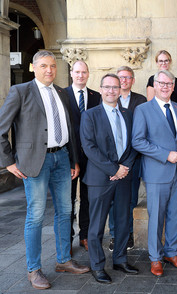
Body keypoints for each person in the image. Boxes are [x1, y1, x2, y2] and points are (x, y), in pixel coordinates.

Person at [0, 50, 90, 290]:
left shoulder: (62, 92)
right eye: (43, 66)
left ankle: (63, 260)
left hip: (61, 159)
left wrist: (73, 160)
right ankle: (33, 269)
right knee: (36, 216)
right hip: (34, 162)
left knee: (65, 211)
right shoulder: (20, 92)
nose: (49, 70)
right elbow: (2, 128)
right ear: (33, 67)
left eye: (52, 66)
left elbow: (69, 129)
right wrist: (9, 162)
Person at [132, 70, 177, 277]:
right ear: (154, 85)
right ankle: (155, 258)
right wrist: (166, 155)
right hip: (157, 173)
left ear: (174, 87)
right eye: (162, 83)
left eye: (169, 84)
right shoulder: (143, 110)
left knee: (176, 215)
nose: (166, 86)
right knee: (156, 217)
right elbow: (138, 141)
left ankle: (171, 252)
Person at [80, 73, 139, 284]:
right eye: (107, 87)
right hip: (100, 178)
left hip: (124, 177)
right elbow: (89, 147)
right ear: (101, 89)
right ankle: (97, 266)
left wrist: (125, 168)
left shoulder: (128, 114)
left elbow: (134, 144)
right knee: (96, 226)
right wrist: (113, 169)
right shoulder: (90, 115)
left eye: (115, 87)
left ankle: (120, 259)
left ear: (120, 88)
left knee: (123, 221)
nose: (111, 91)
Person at [107, 66, 146, 252]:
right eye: (121, 77)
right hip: (112, 162)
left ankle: (128, 233)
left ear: (132, 80)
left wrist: (129, 162)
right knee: (113, 200)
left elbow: (141, 131)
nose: (124, 81)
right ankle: (115, 235)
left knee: (130, 199)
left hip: (133, 159)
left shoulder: (141, 100)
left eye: (128, 77)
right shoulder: (108, 99)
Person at [65, 60, 101, 252]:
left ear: (88, 74)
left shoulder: (96, 96)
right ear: (72, 73)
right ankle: (67, 239)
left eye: (84, 72)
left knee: (88, 197)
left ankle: (85, 235)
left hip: (90, 157)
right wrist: (72, 158)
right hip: (69, 156)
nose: (80, 75)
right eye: (77, 72)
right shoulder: (62, 94)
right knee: (68, 199)